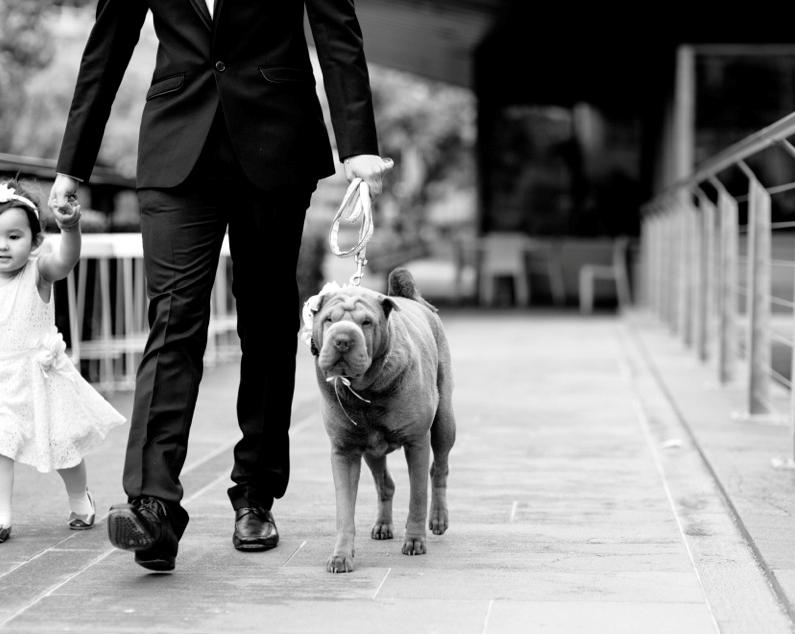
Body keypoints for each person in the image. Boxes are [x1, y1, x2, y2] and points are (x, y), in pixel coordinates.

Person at [50, 0, 393, 571]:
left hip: (275, 140)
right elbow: (107, 46)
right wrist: (72, 164)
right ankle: (152, 505)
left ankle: (255, 493)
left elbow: (337, 30)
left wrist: (355, 143)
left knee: (265, 321)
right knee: (173, 318)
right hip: (176, 145)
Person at [0, 179, 126, 543]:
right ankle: (2, 516)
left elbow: (66, 260)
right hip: (3, 379)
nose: (3, 246)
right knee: (1, 443)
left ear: (35, 241)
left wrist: (70, 228)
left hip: (39, 376)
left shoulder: (37, 273)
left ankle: (79, 498)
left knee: (62, 448)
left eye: (14, 237)